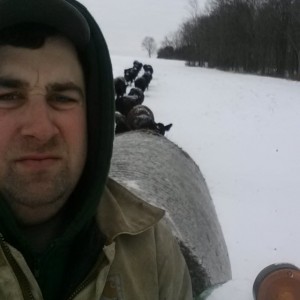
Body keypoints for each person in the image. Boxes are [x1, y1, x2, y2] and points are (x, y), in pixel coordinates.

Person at [0, 0, 193, 299]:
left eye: (63, 97)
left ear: (95, 116)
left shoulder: (153, 252)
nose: (39, 130)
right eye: (9, 95)